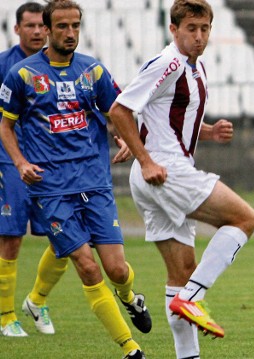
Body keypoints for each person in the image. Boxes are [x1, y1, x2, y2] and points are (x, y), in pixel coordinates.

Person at [0, 1, 151, 357]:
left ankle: (130, 296)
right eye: (62, 27)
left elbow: (116, 111)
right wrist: (20, 162)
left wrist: (124, 136)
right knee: (85, 265)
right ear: (48, 30)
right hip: (50, 188)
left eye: (75, 26)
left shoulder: (93, 71)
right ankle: (130, 348)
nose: (70, 33)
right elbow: (5, 125)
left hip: (94, 181)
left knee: (116, 269)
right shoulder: (22, 75)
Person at [108, 1, 254, 357]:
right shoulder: (169, 62)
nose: (199, 36)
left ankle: (187, 349)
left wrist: (208, 131)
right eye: (191, 28)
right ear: (173, 29)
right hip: (164, 172)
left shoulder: (196, 68)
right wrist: (146, 159)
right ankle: (193, 298)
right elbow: (120, 109)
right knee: (244, 218)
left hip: (155, 174)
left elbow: (161, 117)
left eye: (205, 28)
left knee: (182, 272)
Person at [0, 1, 69, 338]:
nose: (37, 32)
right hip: (10, 162)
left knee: (66, 238)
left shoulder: (59, 66)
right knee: (11, 237)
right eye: (29, 26)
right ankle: (5, 316)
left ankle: (37, 299)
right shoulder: (4, 66)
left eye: (41, 26)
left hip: (51, 164)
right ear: (17, 29)